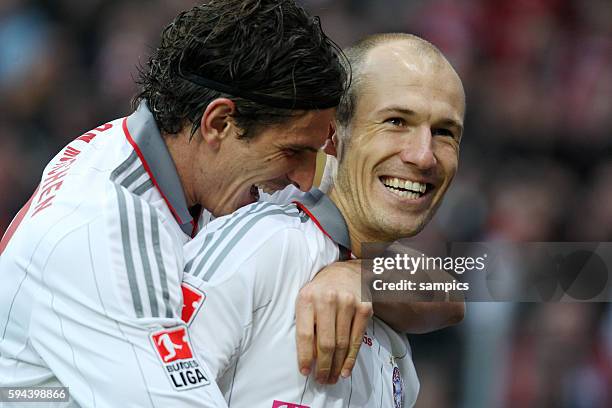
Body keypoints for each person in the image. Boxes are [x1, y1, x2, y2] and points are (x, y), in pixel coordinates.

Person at [0, 1, 347, 406]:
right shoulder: (105, 236)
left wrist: (361, 276)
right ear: (218, 123)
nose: (305, 178)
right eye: (293, 152)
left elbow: (438, 285)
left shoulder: (177, 161)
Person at [181, 33, 466, 407]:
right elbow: (144, 389)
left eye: (444, 132)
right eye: (396, 121)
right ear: (334, 135)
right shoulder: (265, 245)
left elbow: (457, 295)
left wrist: (360, 276)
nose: (424, 156)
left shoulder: (385, 293)